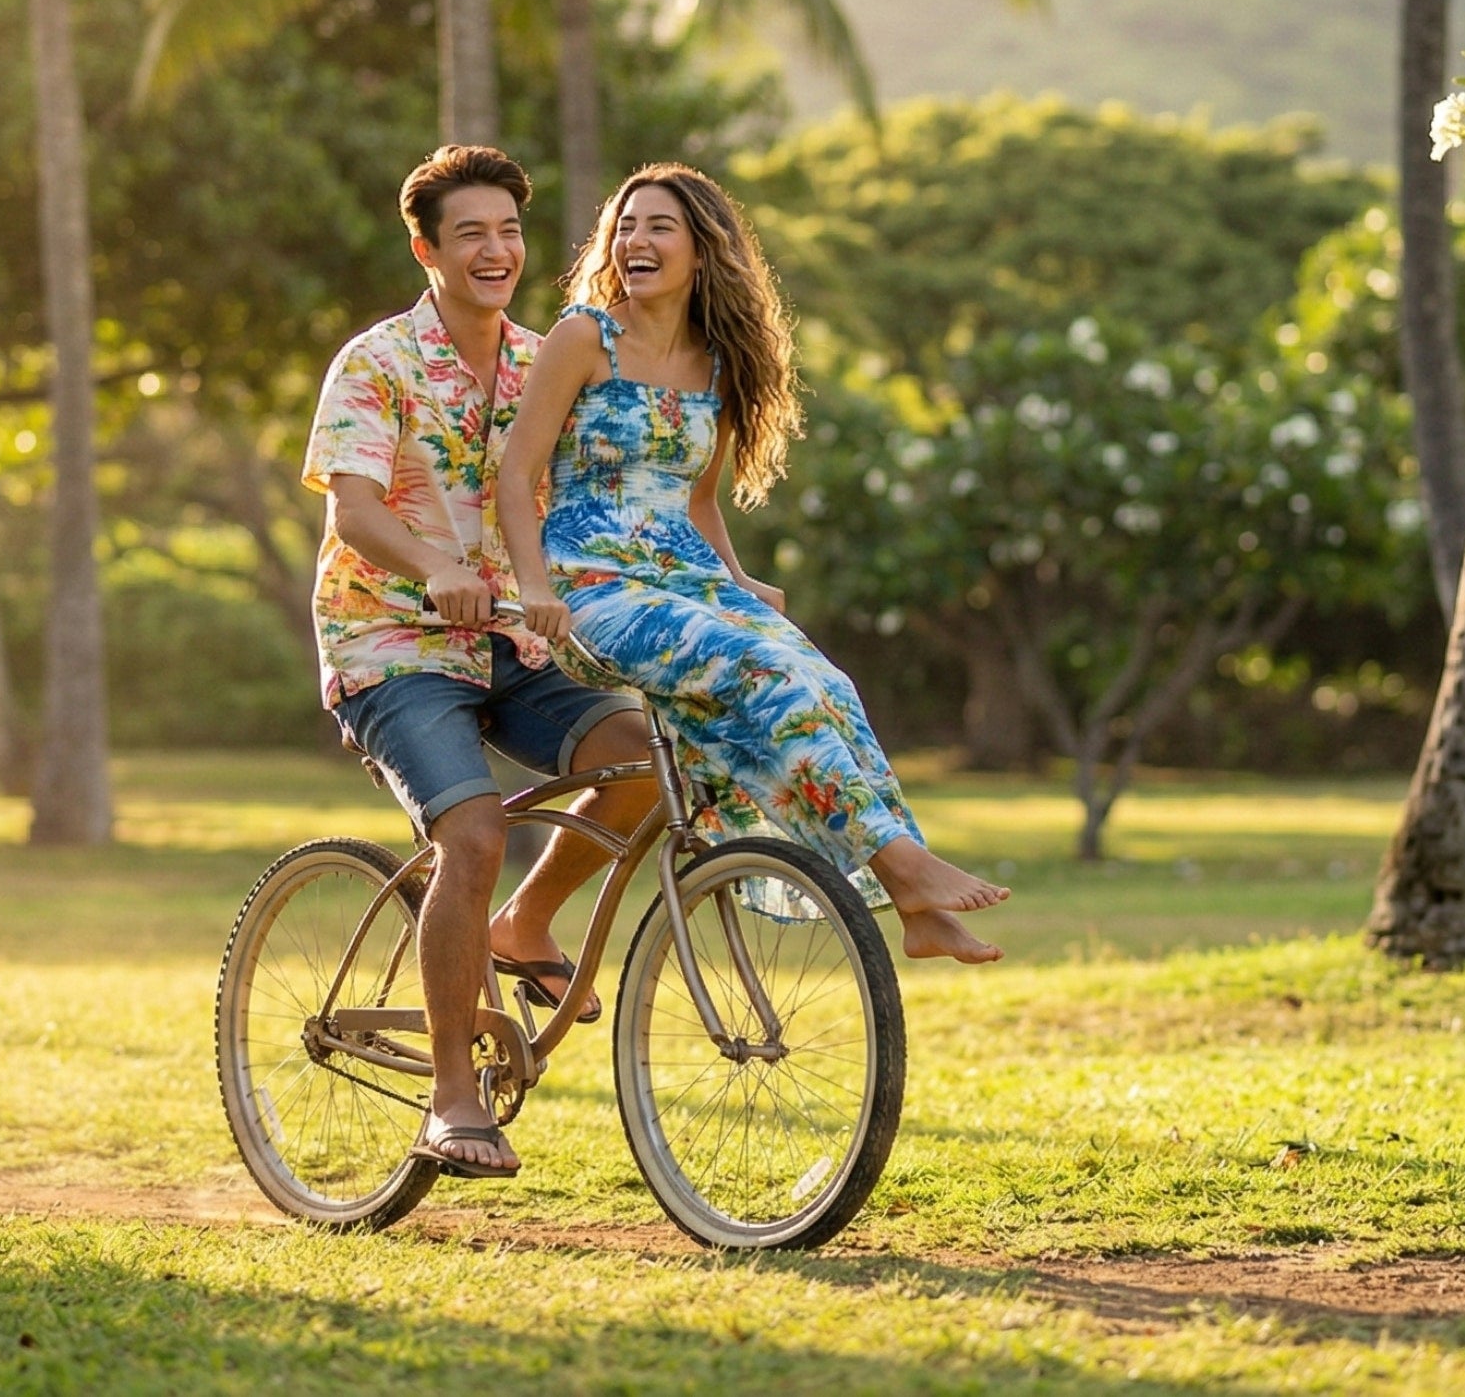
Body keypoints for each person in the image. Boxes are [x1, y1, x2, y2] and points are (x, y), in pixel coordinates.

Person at [498, 163, 1011, 964]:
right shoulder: (583, 337)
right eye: (626, 225)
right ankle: (903, 867)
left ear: (702, 251)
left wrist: (736, 583)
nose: (636, 239)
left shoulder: (715, 366)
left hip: (684, 576)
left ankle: (913, 909)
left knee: (826, 681)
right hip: (589, 582)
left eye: (659, 226)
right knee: (755, 670)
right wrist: (532, 585)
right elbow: (515, 473)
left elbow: (698, 505)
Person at [302, 145, 663, 1182]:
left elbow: (596, 497)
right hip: (392, 642)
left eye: (509, 230)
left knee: (641, 757)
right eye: (471, 233)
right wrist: (434, 567)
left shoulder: (545, 359)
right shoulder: (377, 363)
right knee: (470, 832)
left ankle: (528, 922)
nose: (495, 249)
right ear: (426, 251)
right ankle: (451, 1097)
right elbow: (357, 510)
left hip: (512, 637)